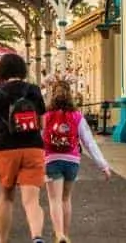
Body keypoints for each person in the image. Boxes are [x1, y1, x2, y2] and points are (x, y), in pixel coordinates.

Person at [42, 77, 111, 243]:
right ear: (70, 95)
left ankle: (59, 235)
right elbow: (89, 142)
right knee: (66, 198)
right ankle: (66, 234)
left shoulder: (46, 116)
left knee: (54, 199)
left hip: (51, 159)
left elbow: (38, 139)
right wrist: (103, 165)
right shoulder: (77, 116)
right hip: (72, 160)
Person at [0, 53, 47, 243]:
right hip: (33, 147)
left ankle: (2, 240)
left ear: (1, 71)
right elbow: (42, 123)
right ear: (22, 70)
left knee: (5, 196)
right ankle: (37, 237)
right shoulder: (34, 90)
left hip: (7, 148)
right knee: (32, 201)